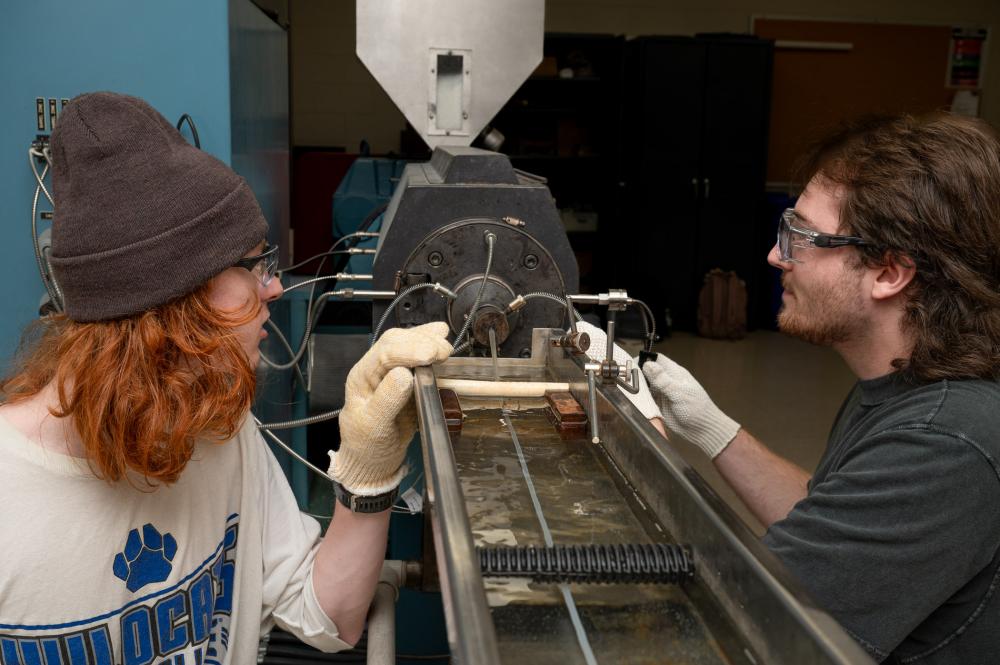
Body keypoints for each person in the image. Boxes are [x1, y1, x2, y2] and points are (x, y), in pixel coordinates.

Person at [0, 92, 451, 663]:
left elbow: (330, 617)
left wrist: (369, 471)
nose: (275, 287)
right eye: (254, 264)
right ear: (174, 298)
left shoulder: (219, 430)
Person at [641, 112, 1000, 663]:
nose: (776, 255)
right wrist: (711, 428)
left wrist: (650, 451)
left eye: (803, 237)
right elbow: (833, 520)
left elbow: (748, 623)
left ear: (889, 273)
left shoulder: (945, 439)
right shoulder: (906, 379)